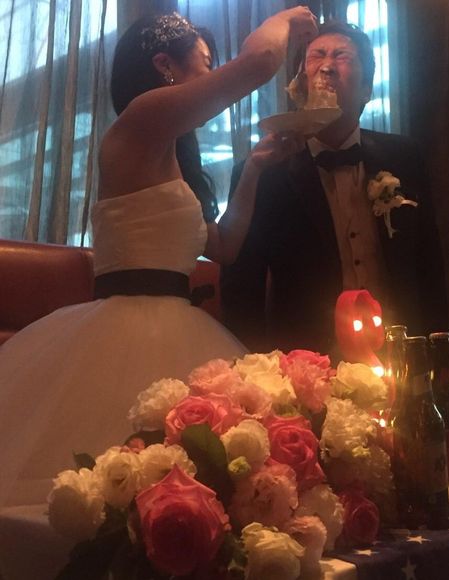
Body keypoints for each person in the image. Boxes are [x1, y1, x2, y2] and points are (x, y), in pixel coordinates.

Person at [0, 8, 317, 508]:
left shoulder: (165, 151)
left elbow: (224, 245)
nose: (211, 75)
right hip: (122, 328)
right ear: (165, 65)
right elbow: (259, 62)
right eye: (205, 62)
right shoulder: (140, 117)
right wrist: (287, 17)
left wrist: (254, 169)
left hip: (179, 318)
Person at [221, 20, 448, 356]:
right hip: (307, 361)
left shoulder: (404, 156)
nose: (326, 66)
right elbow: (242, 288)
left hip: (399, 348)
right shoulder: (264, 172)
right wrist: (256, 371)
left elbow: (428, 264)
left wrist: (439, 356)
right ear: (299, 85)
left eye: (342, 56)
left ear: (367, 89)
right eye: (316, 56)